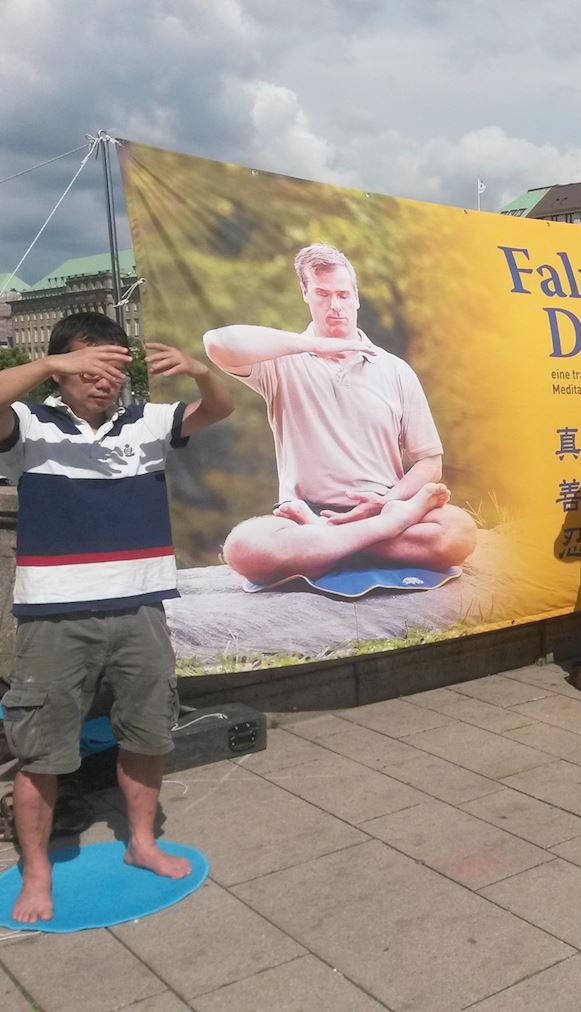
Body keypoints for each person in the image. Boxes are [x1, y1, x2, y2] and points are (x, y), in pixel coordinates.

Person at [0, 312, 235, 924]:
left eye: (114, 365)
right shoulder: (29, 423)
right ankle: (39, 871)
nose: (104, 379)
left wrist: (200, 372)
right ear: (63, 370)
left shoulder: (147, 423)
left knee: (147, 734)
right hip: (54, 619)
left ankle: (142, 842)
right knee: (43, 751)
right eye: (89, 365)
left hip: (140, 610)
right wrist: (51, 365)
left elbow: (220, 409)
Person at [203, 243, 476, 587]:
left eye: (344, 295)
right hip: (305, 516)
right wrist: (311, 345)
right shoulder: (281, 362)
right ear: (305, 293)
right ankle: (375, 536)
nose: (335, 306)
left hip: (385, 505)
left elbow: (429, 462)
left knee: (458, 532)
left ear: (357, 297)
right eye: (322, 294)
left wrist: (388, 502)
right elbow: (216, 343)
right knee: (243, 548)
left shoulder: (395, 369)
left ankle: (333, 544)